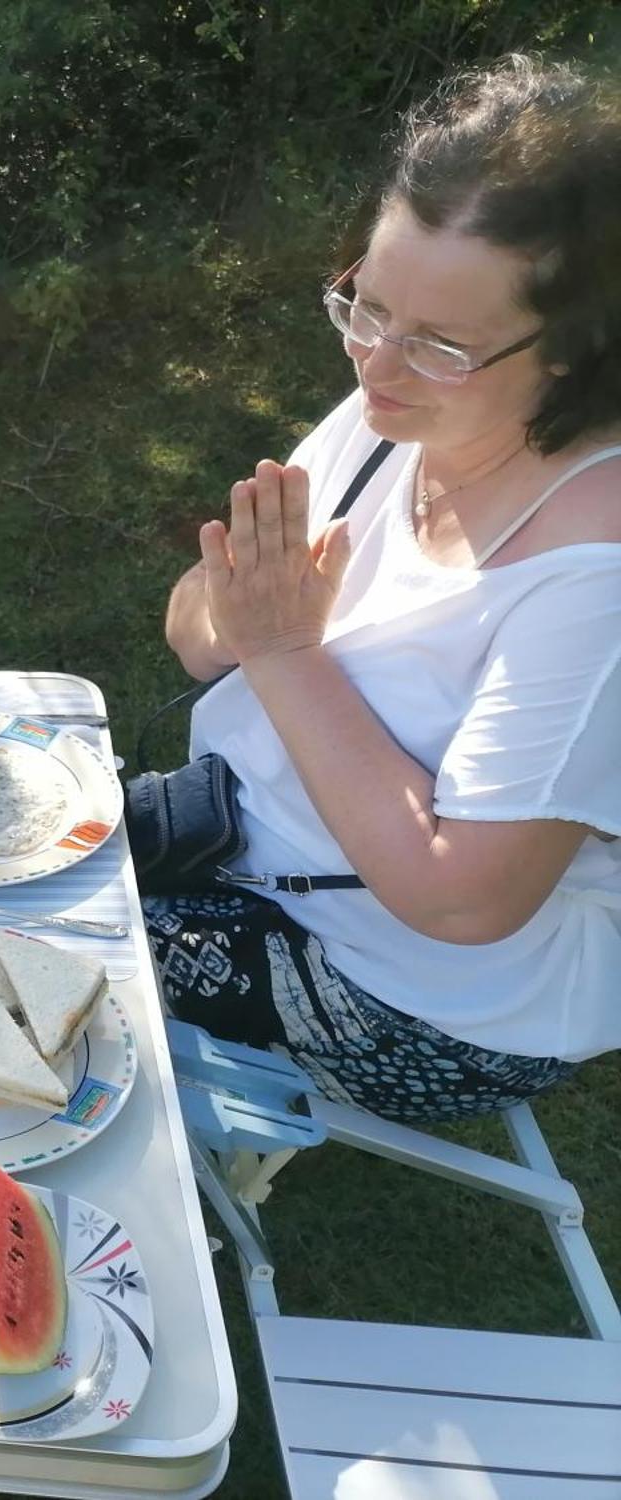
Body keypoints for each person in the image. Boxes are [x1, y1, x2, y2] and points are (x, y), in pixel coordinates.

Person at [154, 55, 620, 1123]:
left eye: (439, 343)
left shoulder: (591, 579)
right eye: (362, 308)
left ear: (578, 349)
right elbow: (192, 625)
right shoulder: (398, 411)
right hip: (233, 850)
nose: (372, 369)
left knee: (18, 959)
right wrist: (248, 623)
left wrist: (278, 650)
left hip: (412, 1001)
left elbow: (461, 900)